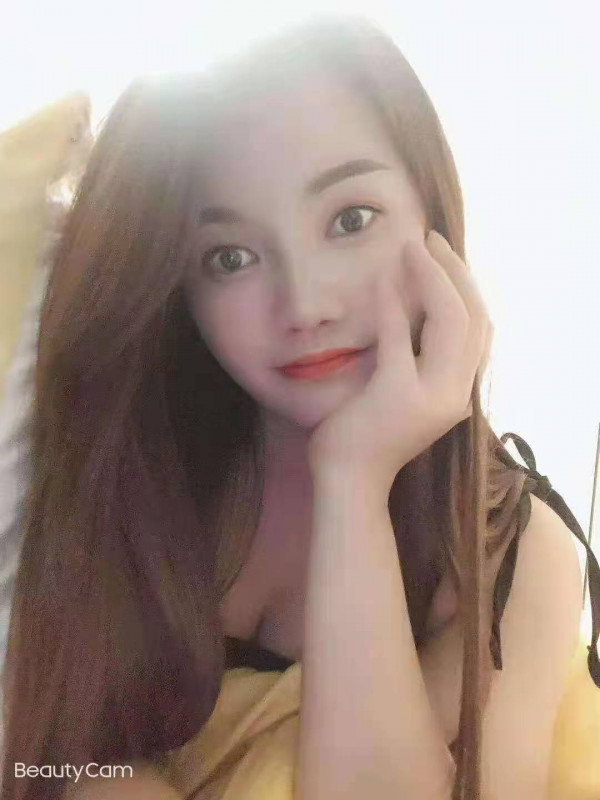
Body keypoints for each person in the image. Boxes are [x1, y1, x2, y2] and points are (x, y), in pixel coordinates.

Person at [2, 14, 599, 800]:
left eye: (350, 221)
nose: (306, 304)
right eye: (231, 257)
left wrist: (353, 482)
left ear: (432, 217)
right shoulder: (142, 467)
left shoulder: (510, 548)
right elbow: (46, 755)